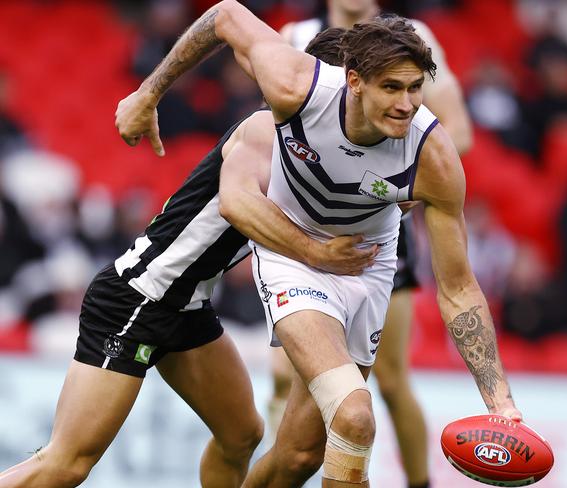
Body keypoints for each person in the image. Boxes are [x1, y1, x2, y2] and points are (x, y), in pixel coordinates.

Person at [114, 3, 521, 487]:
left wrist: (501, 403)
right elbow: (224, 15)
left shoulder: (431, 155)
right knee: (354, 417)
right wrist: (148, 93)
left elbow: (458, 289)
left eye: (414, 89)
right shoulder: (295, 84)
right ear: (353, 81)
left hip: (368, 268)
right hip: (295, 257)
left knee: (300, 455)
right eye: (391, 88)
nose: (407, 104)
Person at [0, 31, 376, 488]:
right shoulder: (269, 133)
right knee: (67, 463)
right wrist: (318, 251)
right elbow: (240, 206)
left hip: (186, 304)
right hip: (139, 297)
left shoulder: (326, 153)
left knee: (242, 435)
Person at [274, 3, 474, 487]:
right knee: (285, 378)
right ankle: (294, 465)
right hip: (304, 233)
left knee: (389, 381)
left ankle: (417, 483)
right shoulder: (296, 35)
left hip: (379, 237)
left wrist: (392, 185)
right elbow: (274, 130)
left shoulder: (411, 38)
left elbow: (458, 134)